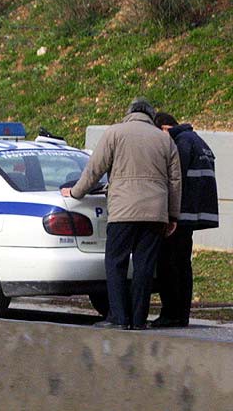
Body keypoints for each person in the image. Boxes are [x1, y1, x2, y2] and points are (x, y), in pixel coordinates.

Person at [60, 98, 181, 330]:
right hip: (155, 213)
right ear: (151, 116)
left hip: (123, 211)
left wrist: (76, 192)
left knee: (116, 262)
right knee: (145, 266)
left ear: (129, 113)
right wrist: (172, 215)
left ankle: (118, 317)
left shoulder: (114, 133)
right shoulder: (165, 140)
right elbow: (175, 181)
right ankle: (138, 320)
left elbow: (95, 168)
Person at [151, 112, 219, 328]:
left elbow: (174, 179)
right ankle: (182, 314)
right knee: (183, 265)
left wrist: (169, 215)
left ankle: (171, 313)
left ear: (164, 128)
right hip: (192, 214)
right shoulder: (197, 140)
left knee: (167, 263)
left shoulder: (180, 143)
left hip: (180, 215)